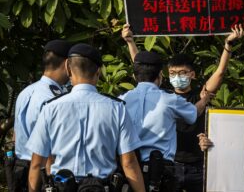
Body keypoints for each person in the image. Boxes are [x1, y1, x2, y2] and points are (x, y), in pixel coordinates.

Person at [122, 23, 244, 192]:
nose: (177, 77)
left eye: (182, 73)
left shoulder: (201, 94)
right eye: (172, 73)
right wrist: (130, 43)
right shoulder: (165, 96)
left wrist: (228, 46)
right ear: (163, 75)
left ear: (192, 74)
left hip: (197, 166)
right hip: (170, 164)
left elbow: (219, 73)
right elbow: (144, 71)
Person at [26, 43, 145, 192]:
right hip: (102, 187)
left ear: (68, 68)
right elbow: (129, 162)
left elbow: (37, 164)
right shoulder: (117, 108)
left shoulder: (50, 108)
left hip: (62, 186)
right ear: (99, 72)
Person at [119, 51, 208, 191]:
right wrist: (204, 100)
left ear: (134, 76)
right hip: (160, 173)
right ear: (160, 75)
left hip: (130, 172)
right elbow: (193, 114)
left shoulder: (121, 100)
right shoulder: (170, 100)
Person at [12, 39, 71, 191]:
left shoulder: (26, 92)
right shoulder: (55, 98)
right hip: (42, 173)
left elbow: (15, 136)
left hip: (20, 168)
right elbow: (48, 148)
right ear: (67, 64)